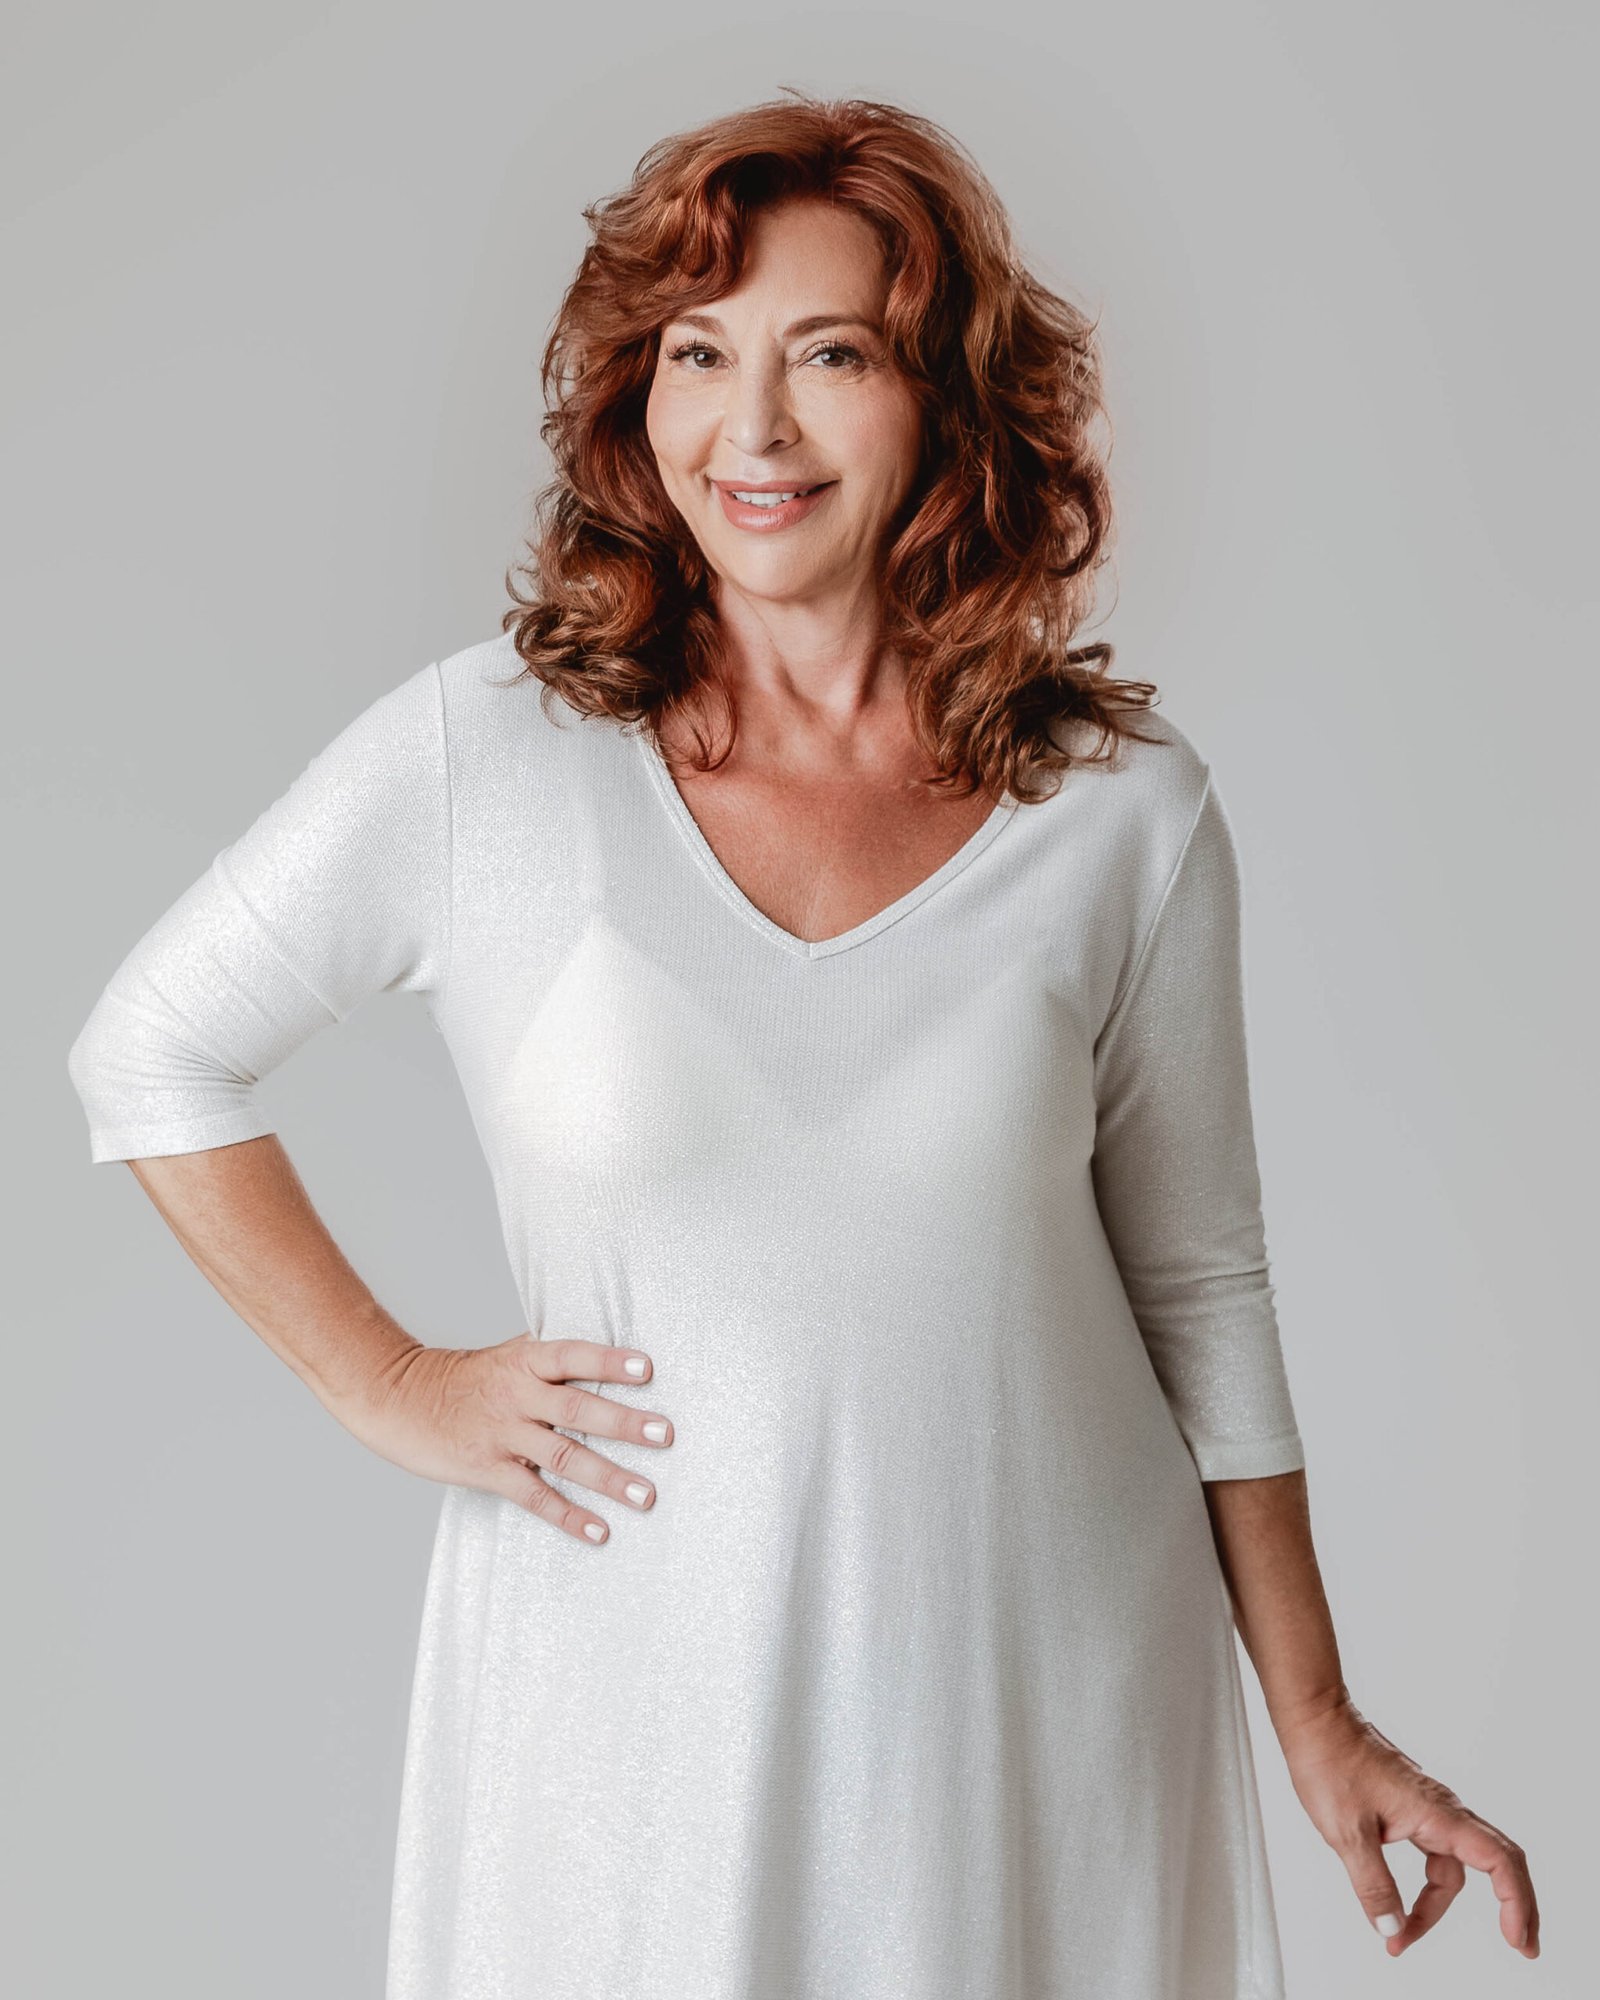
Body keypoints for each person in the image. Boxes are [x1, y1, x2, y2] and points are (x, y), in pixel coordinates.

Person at [66, 91, 1539, 2000]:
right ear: (637, 395)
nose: (750, 430)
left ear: (945, 401)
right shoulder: (487, 759)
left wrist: (1319, 1720)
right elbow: (151, 1053)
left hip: (1040, 1686)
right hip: (629, 1700)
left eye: (829, 356)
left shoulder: (1117, 809)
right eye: (699, 355)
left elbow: (1201, 1287)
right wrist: (391, 1382)